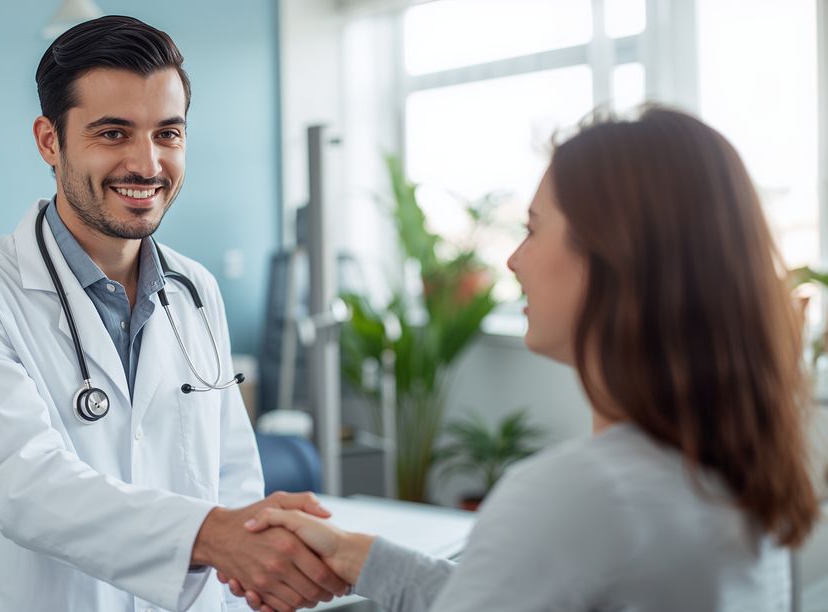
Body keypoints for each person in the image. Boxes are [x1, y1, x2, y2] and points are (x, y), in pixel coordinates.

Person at [222, 107, 821, 611]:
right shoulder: (739, 470)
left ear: (609, 258)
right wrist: (359, 556)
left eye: (533, 230)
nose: (513, 260)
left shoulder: (573, 497)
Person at [0, 15, 346, 612]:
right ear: (48, 140)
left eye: (168, 133)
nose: (146, 164)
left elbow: (235, 477)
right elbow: (25, 486)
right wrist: (206, 537)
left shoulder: (196, 289)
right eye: (113, 133)